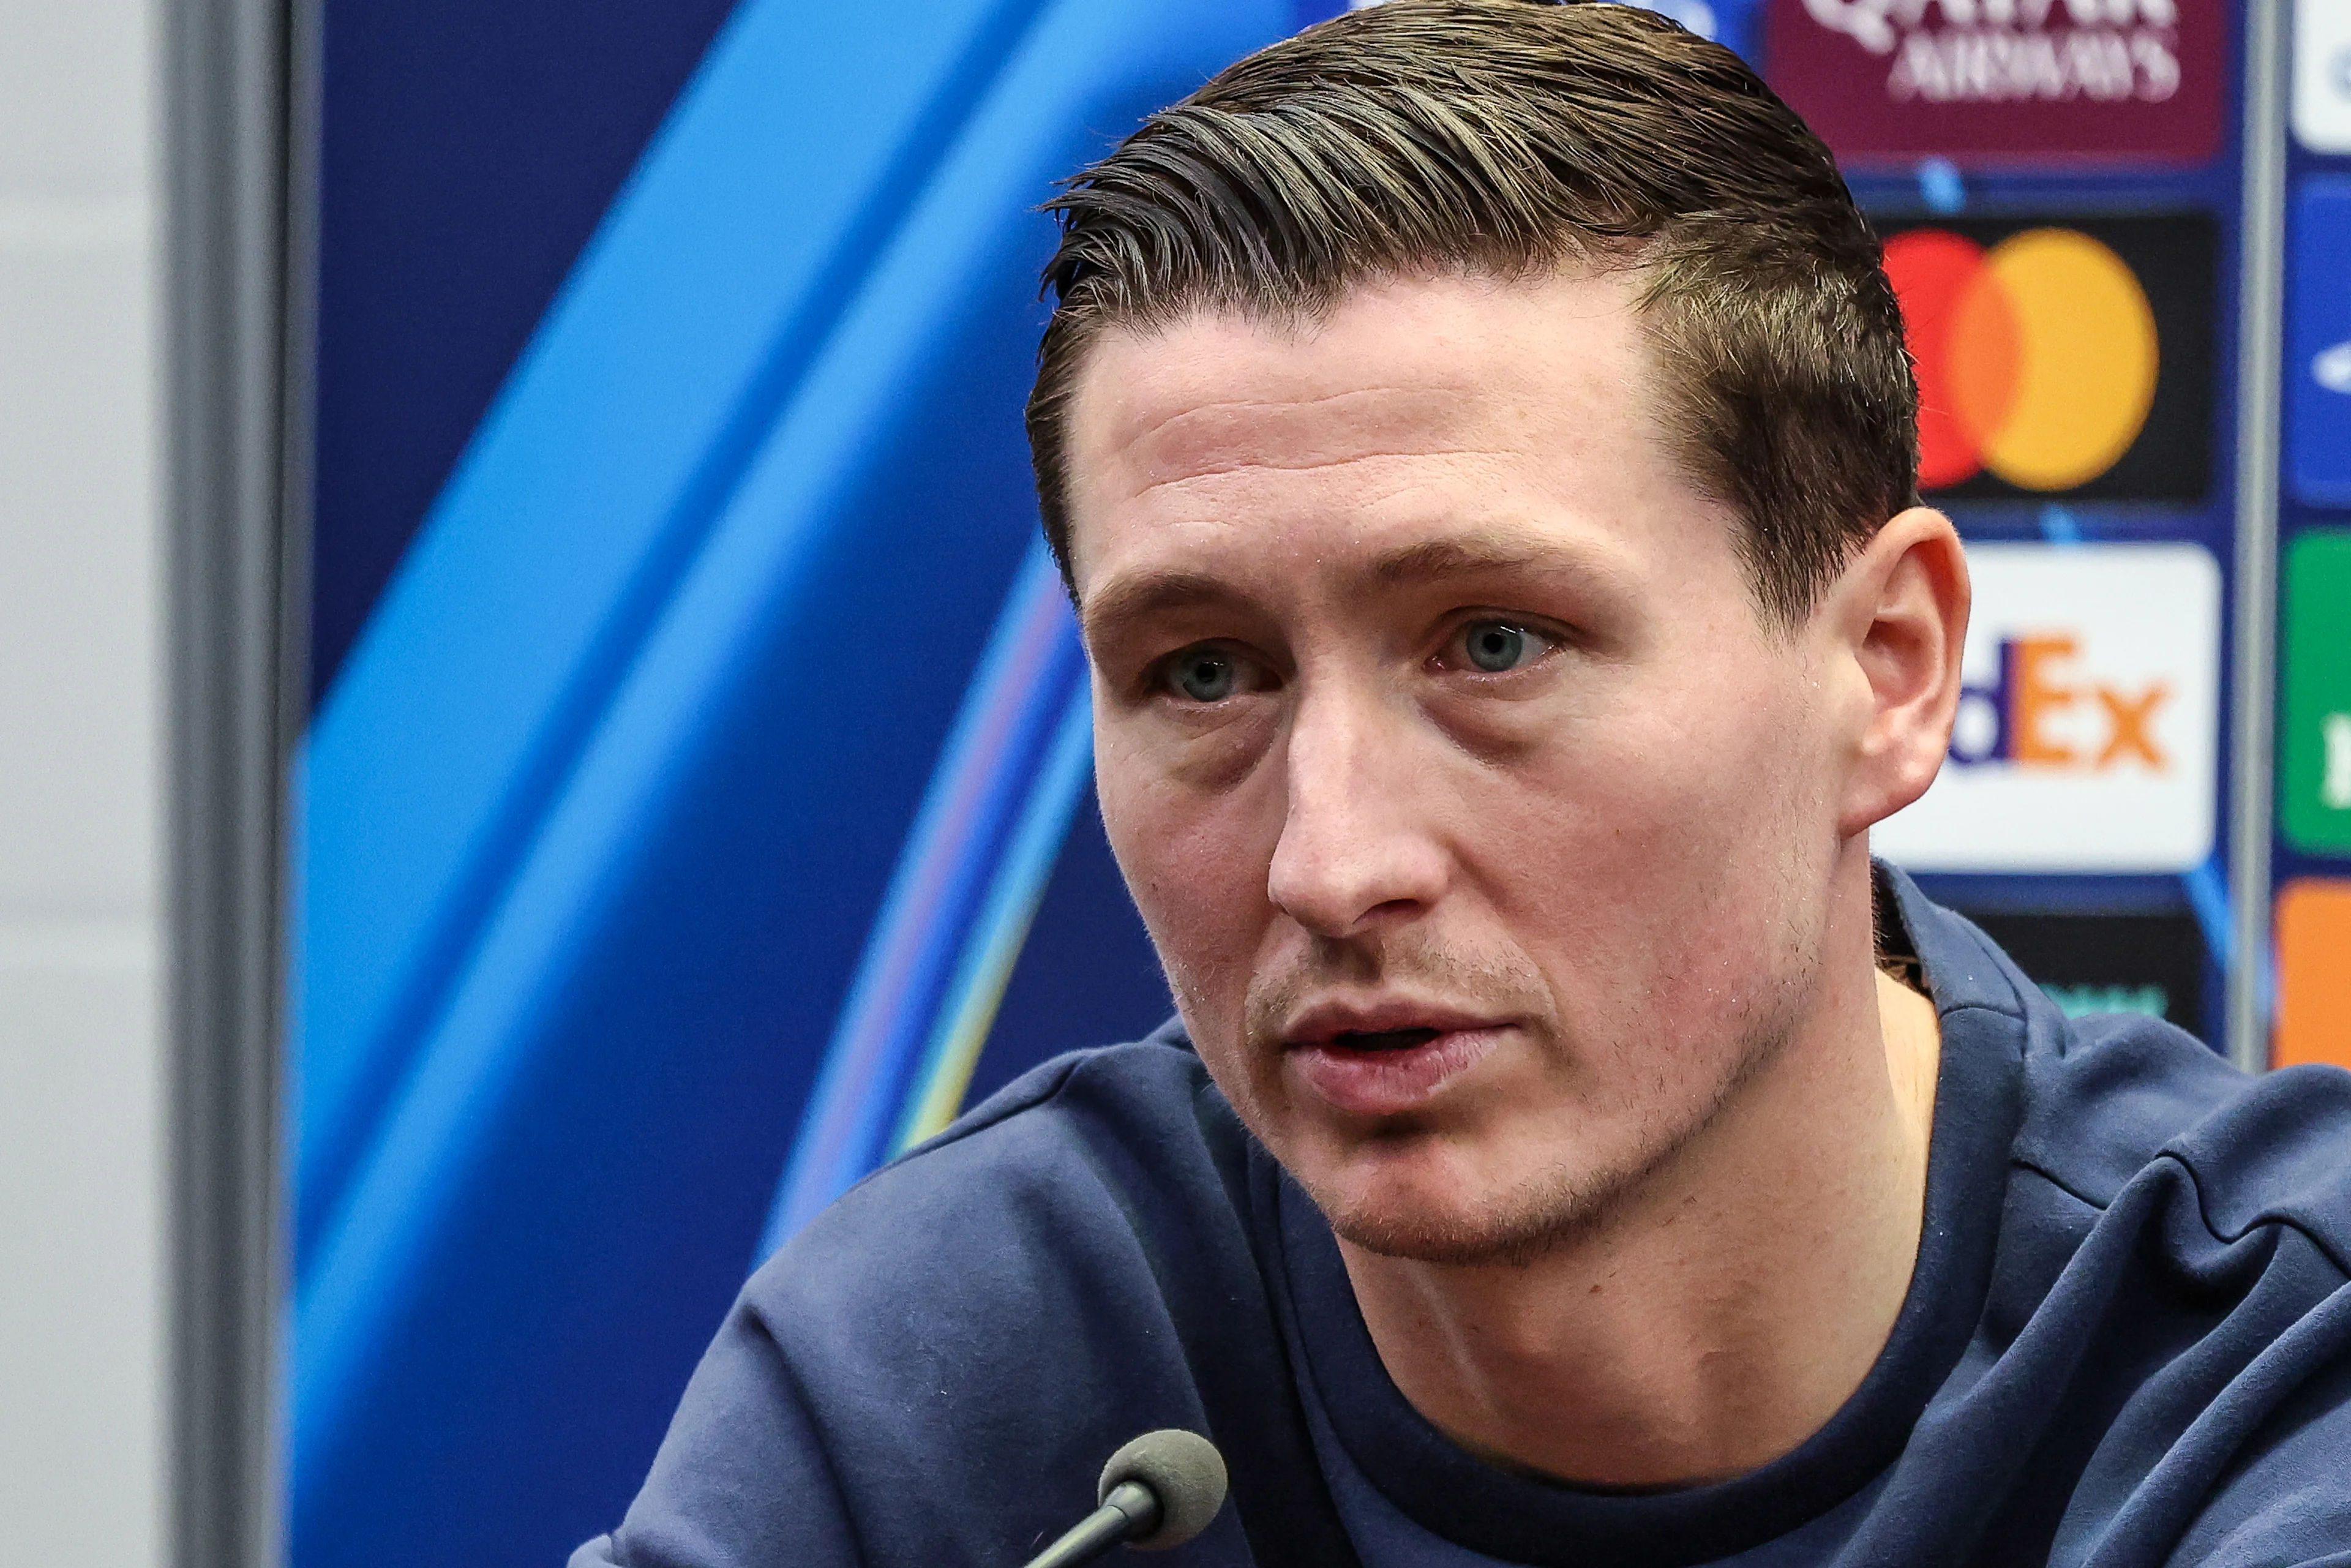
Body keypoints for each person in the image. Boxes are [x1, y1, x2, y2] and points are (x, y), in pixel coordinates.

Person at [573, 3, 2351, 1563]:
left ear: (1884, 670)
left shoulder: (2273, 1357)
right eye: (1205, 673)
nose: (1331, 864)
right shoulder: (941, 1378)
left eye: (1495, 644)